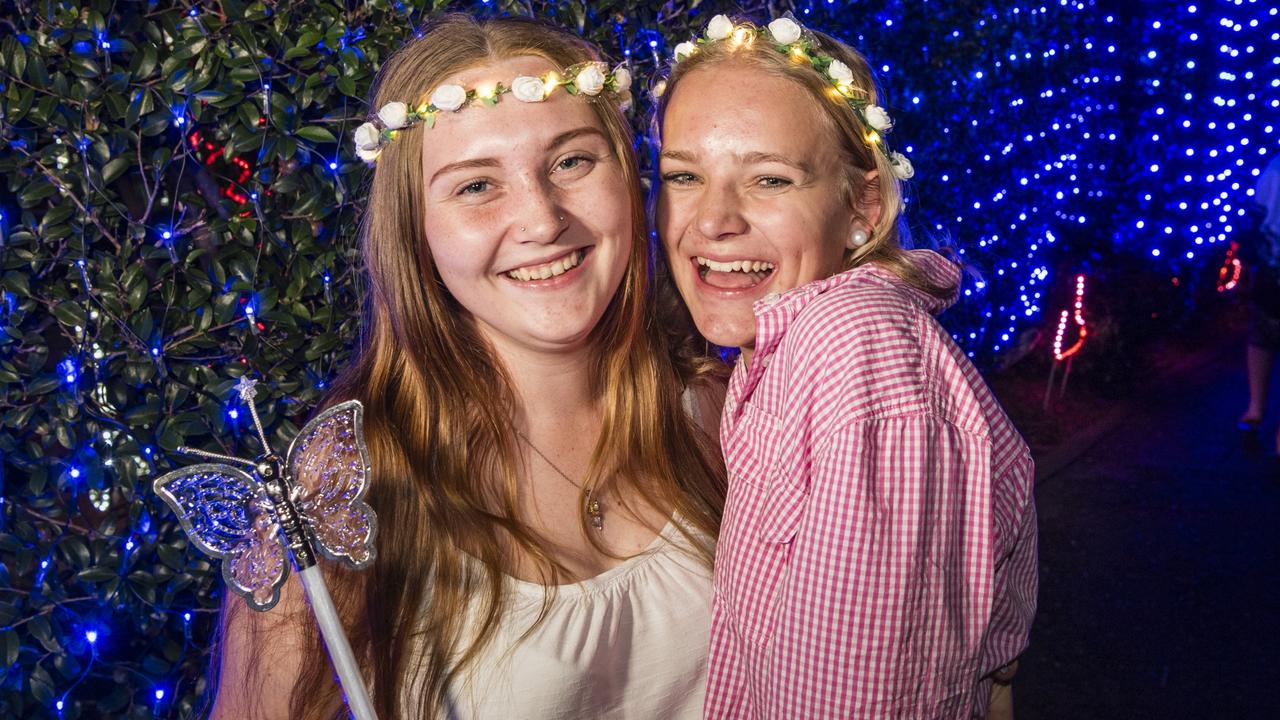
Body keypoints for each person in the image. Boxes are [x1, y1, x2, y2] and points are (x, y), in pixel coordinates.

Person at [210, 14, 725, 719]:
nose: (542, 220)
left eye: (572, 161)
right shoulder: (334, 508)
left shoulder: (726, 415)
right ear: (415, 231)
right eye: (476, 186)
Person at [654, 15, 1038, 719]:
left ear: (861, 206)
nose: (712, 221)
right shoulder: (793, 344)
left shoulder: (855, 349)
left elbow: (857, 693)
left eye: (769, 179)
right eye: (684, 175)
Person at [1239, 154, 1280, 459]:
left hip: (1270, 264)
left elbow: (1257, 213)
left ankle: (1254, 410)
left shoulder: (1274, 166)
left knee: (1263, 335)